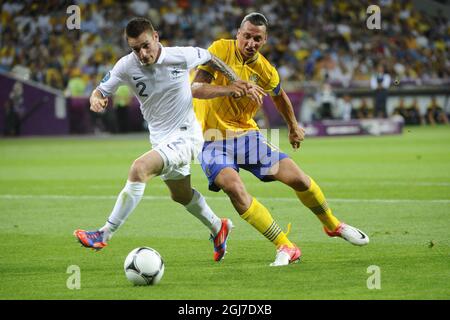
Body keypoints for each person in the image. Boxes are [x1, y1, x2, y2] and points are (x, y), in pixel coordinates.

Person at [74, 17, 264, 262]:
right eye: (135, 49)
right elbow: (100, 90)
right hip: (161, 140)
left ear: (156, 37)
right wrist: (96, 99)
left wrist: (233, 79)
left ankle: (104, 233)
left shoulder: (181, 55)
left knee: (139, 168)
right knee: (181, 195)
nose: (142, 54)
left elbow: (210, 58)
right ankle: (219, 227)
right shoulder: (125, 66)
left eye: (145, 46)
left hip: (187, 137)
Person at [192, 13, 369, 267]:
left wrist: (293, 126)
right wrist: (231, 88)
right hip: (211, 139)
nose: (250, 42)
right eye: (246, 36)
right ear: (238, 34)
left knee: (298, 178)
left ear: (264, 40)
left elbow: (279, 96)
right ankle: (285, 245)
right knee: (233, 187)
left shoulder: (265, 69)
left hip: (247, 136)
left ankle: (332, 224)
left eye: (257, 38)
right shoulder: (220, 49)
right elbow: (196, 89)